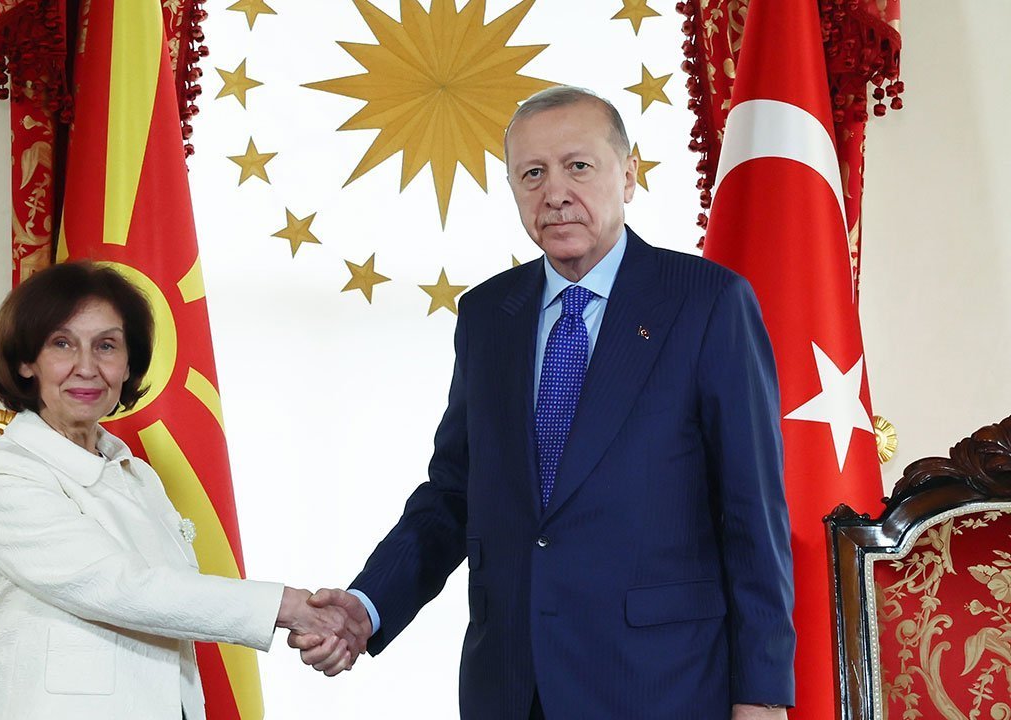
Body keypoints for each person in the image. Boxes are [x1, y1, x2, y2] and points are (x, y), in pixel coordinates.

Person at [291, 86, 796, 719]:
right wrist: (367, 606)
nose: (554, 192)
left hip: (661, 685)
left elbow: (752, 513)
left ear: (628, 174)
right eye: (532, 173)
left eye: (577, 166)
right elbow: (454, 493)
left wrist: (762, 696)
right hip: (510, 686)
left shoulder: (707, 302)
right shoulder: (487, 314)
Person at [0, 262, 357, 720]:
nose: (86, 367)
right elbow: (121, 587)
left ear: (128, 364)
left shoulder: (138, 476)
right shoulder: (3, 473)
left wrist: (315, 619)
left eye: (106, 346)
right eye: (62, 343)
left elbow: (173, 603)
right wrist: (287, 607)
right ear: (26, 361)